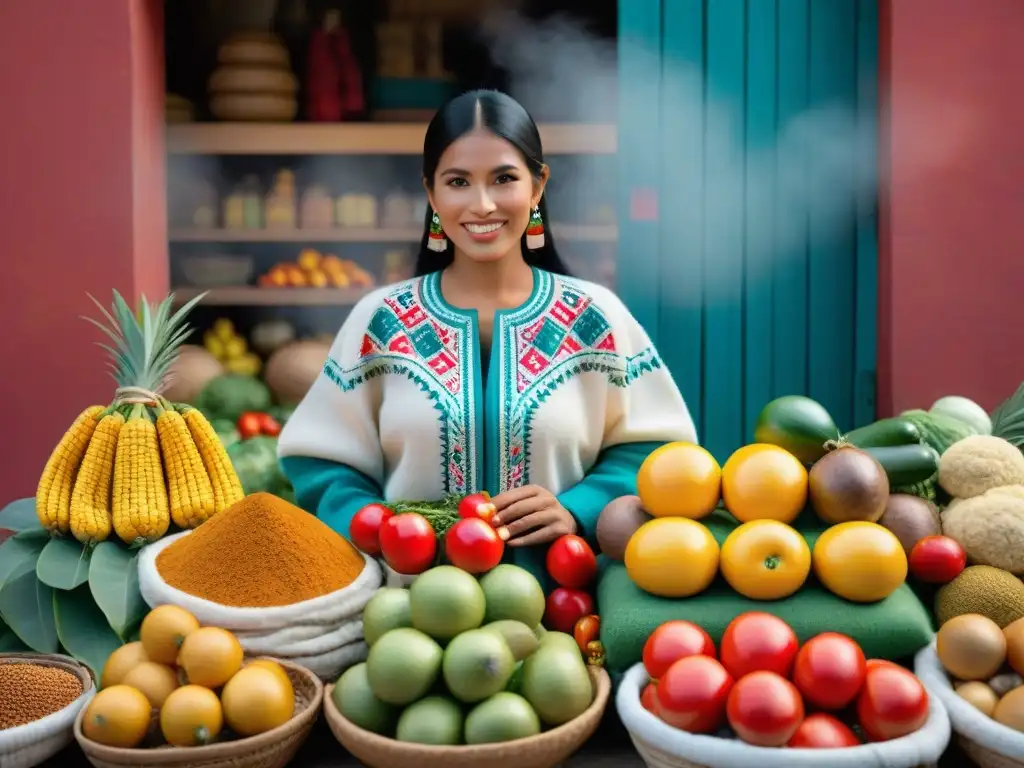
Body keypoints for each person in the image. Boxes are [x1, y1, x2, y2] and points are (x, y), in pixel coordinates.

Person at [278, 89, 697, 584]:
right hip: (403, 618)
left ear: (538, 186)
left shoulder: (595, 317)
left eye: (504, 179)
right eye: (458, 182)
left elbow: (659, 453)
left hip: (565, 615)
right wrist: (380, 528)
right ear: (431, 194)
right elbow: (319, 459)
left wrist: (579, 509)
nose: (482, 204)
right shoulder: (381, 320)